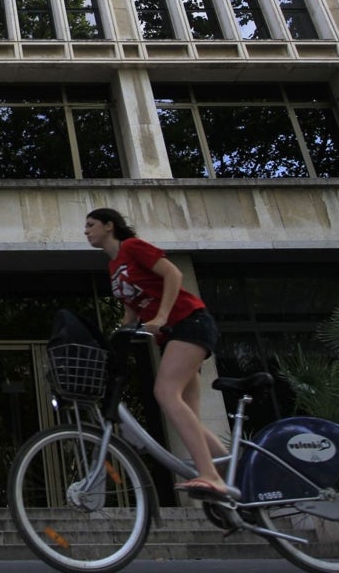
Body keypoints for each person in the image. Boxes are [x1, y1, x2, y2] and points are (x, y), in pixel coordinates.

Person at [84, 207, 232, 500]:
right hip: (172, 336)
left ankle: (211, 476)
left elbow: (173, 274)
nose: (86, 231)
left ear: (109, 226)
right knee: (187, 415)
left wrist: (163, 316)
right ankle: (238, 481)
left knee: (165, 392)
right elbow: (131, 312)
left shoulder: (133, 247)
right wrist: (113, 344)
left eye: (91, 225)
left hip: (190, 323)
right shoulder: (113, 267)